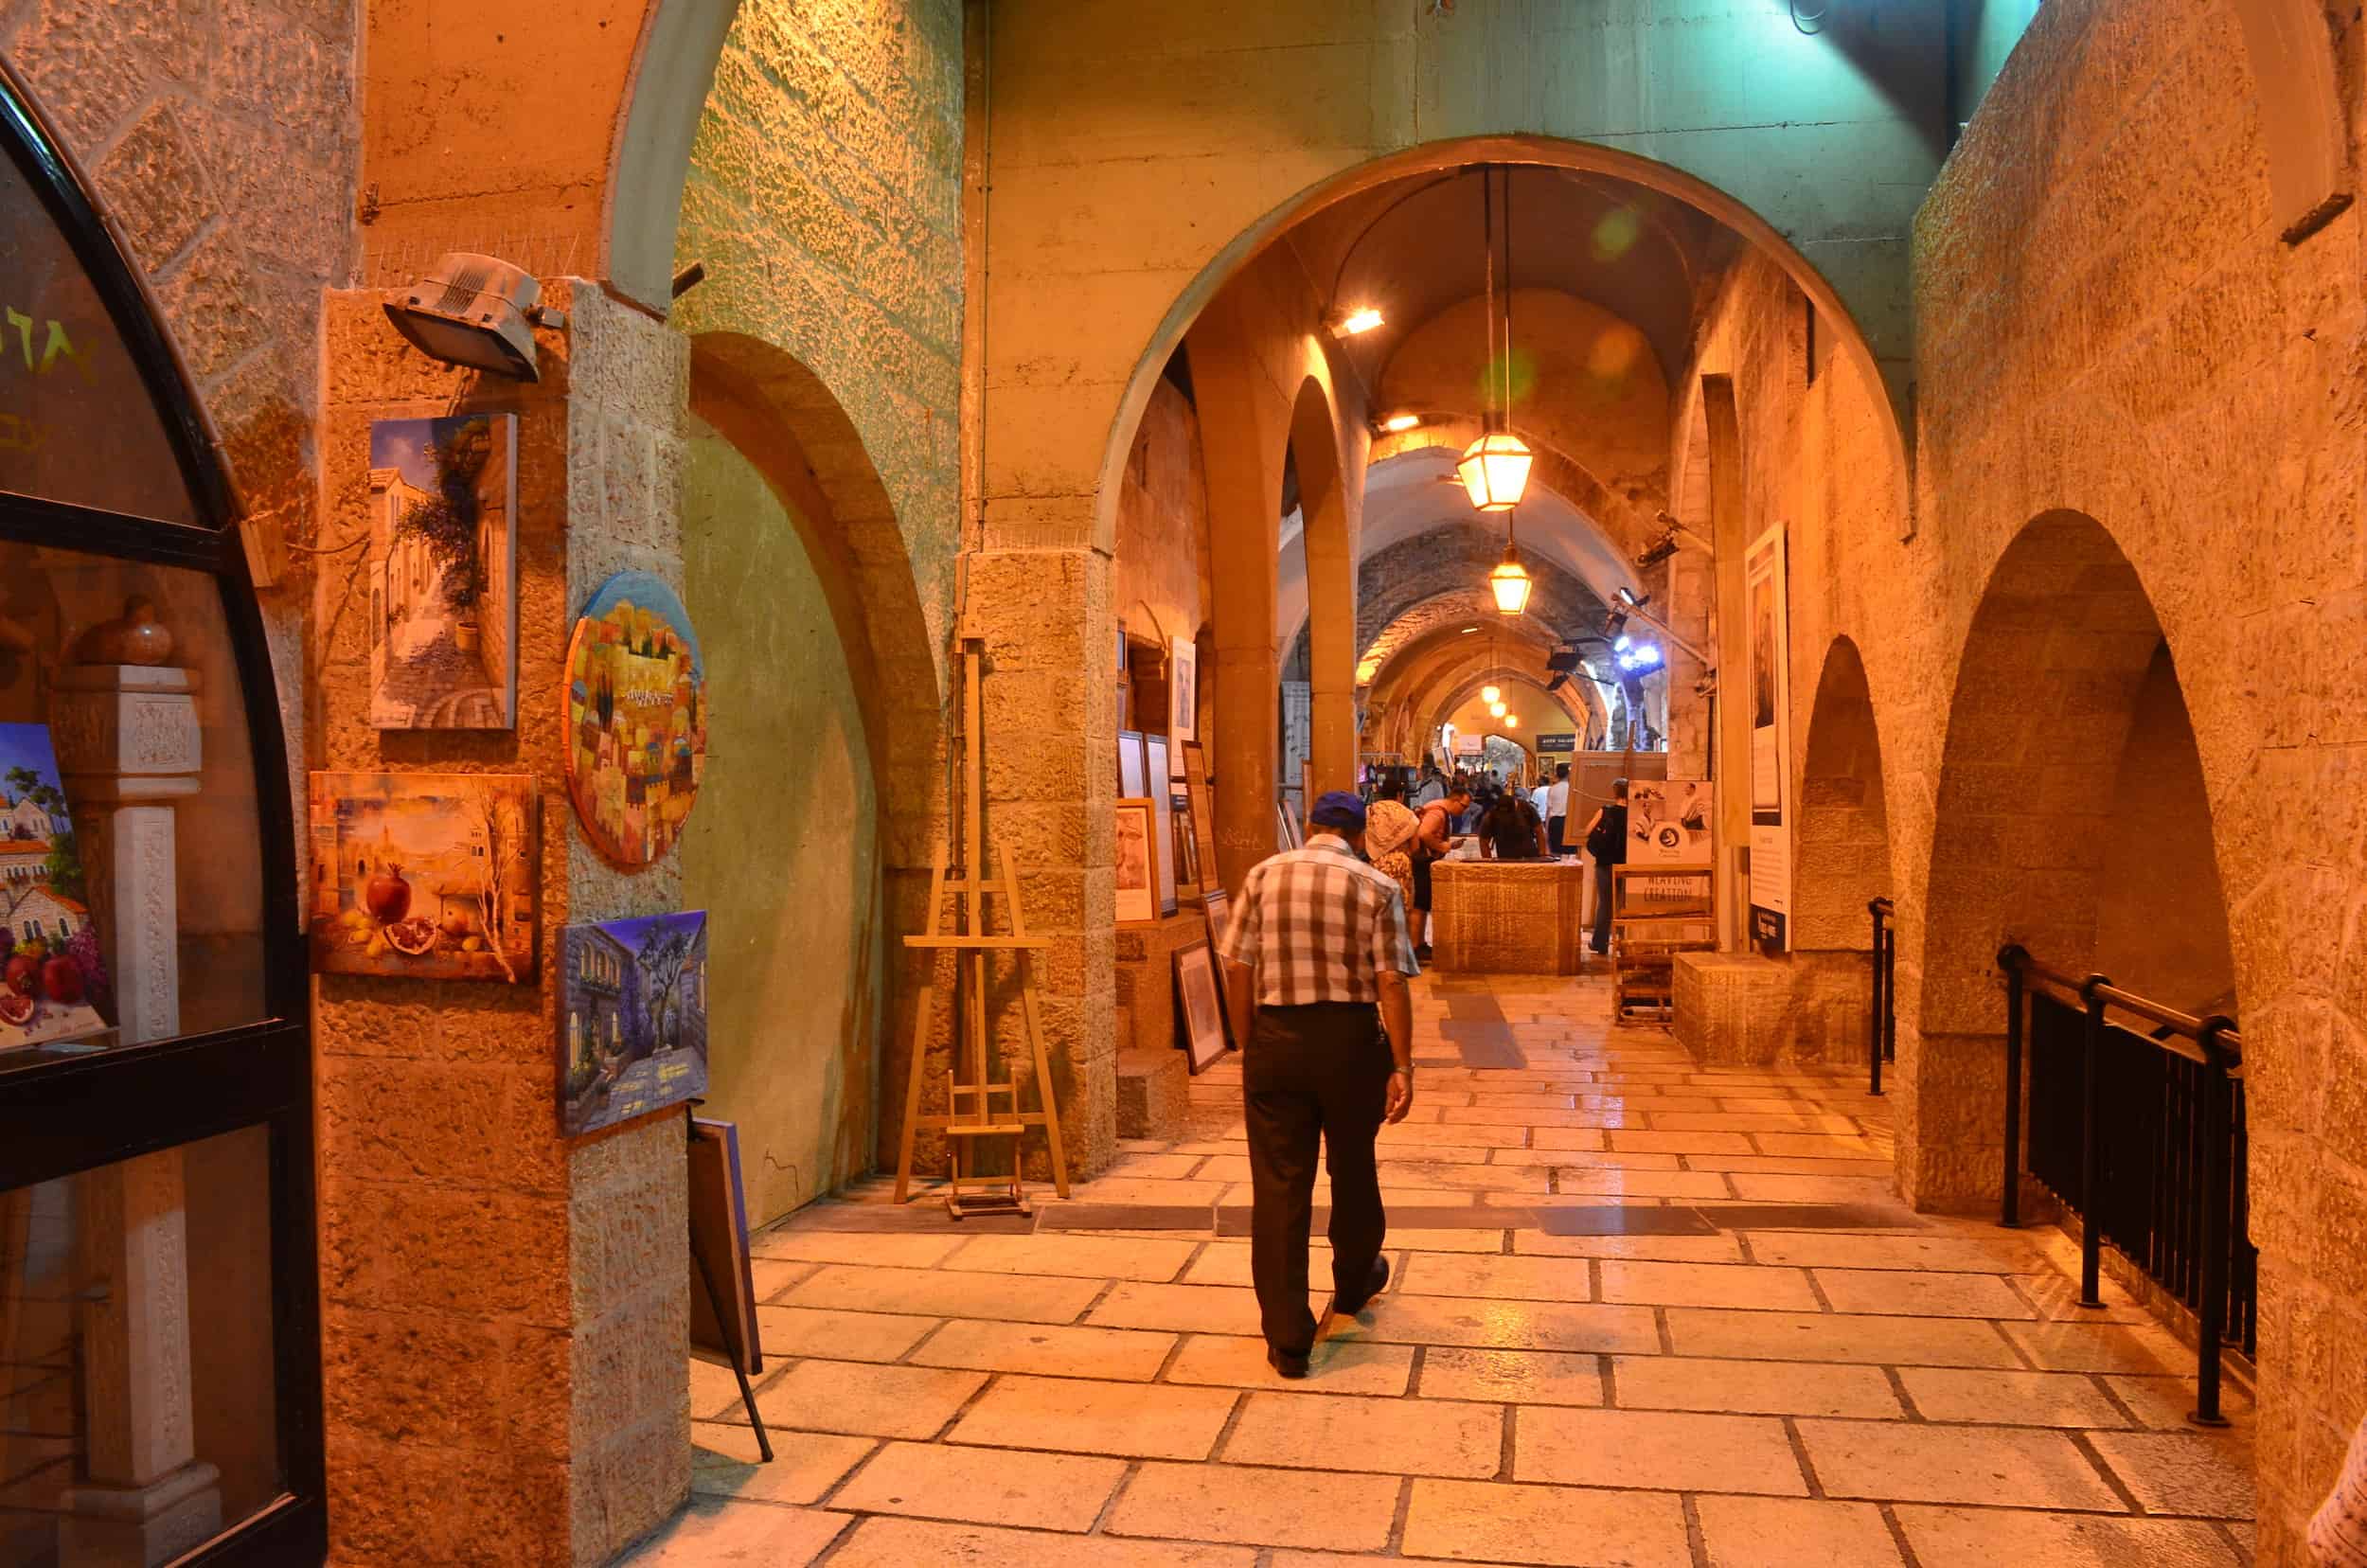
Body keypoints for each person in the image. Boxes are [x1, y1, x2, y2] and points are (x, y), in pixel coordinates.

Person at [1215, 791, 1416, 1379]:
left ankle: (1288, 1336)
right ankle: (1354, 1283)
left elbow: (1238, 967)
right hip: (1351, 1042)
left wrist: (1250, 1041)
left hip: (1277, 1036)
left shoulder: (1263, 876)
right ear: (1358, 837)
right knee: (1353, 1165)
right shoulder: (1376, 887)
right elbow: (1392, 983)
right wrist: (1402, 1065)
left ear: (1309, 827)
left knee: (1279, 1182)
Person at [1408, 785, 1468, 961]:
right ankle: (1415, 945)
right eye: (1463, 806)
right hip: (1423, 861)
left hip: (1424, 860)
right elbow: (1424, 833)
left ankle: (1420, 944)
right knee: (1420, 904)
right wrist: (1442, 846)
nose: (1463, 811)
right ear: (1455, 800)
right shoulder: (1439, 812)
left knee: (1424, 904)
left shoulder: (1436, 808)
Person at [1578, 776, 1629, 956]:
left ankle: (1600, 943)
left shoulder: (1605, 811)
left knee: (1605, 904)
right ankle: (1624, 943)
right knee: (1625, 904)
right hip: (1627, 864)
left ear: (1614, 793)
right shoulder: (1635, 813)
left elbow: (1587, 831)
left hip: (1605, 862)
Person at [1362, 778, 1420, 915]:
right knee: (1401, 911)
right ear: (1400, 794)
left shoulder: (1370, 811)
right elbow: (1415, 847)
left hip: (1376, 865)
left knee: (1378, 911)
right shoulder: (1407, 814)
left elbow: (1361, 839)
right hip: (1401, 865)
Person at [1478, 786, 1548, 860]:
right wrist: (1489, 864)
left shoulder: (1525, 808)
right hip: (1505, 859)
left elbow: (1539, 831)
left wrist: (1542, 855)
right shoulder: (1491, 816)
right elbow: (1483, 841)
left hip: (1530, 856)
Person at [1546, 762, 1572, 854]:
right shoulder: (1572, 789)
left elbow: (1549, 810)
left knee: (1556, 852)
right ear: (1568, 774)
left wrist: (1547, 828)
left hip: (1555, 823)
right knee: (1569, 853)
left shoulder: (1552, 789)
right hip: (1569, 822)